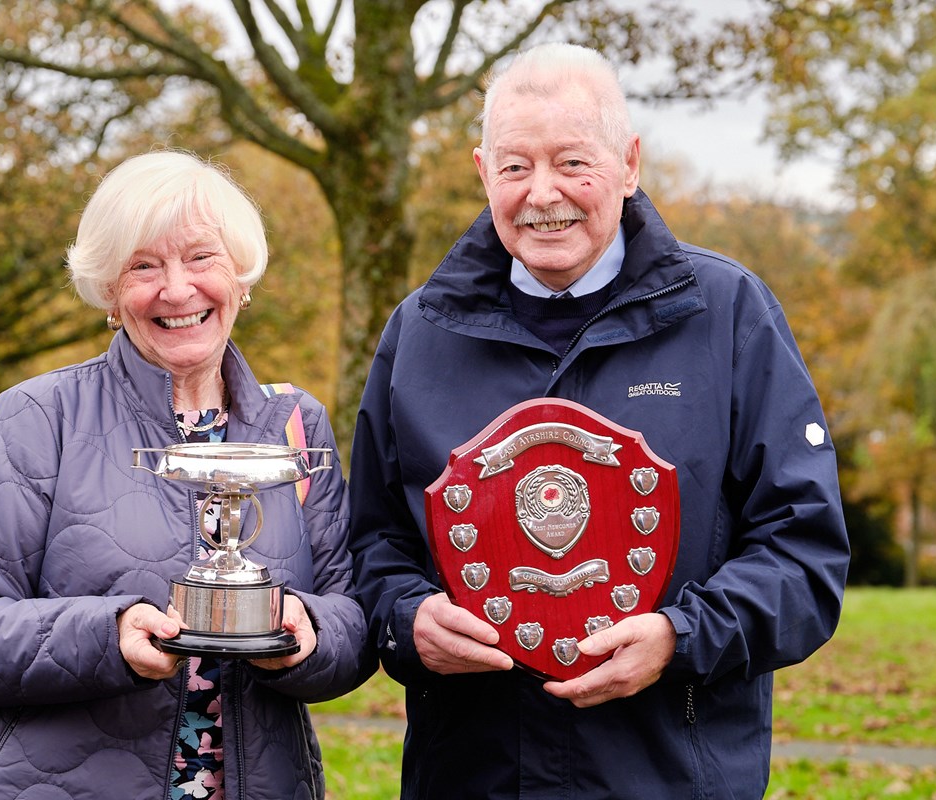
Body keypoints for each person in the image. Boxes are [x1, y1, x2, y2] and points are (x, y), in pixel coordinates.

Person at [347, 43, 850, 798]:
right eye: (515, 167)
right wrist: (407, 621)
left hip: (668, 777)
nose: (543, 193)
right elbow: (372, 543)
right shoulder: (419, 334)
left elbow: (805, 558)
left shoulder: (729, 316)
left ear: (629, 163)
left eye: (574, 162)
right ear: (482, 172)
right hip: (472, 778)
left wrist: (681, 639)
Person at [0, 149, 371, 800]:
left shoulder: (295, 425)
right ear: (109, 290)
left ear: (241, 276)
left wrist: (306, 632)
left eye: (202, 258)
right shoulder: (38, 417)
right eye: (144, 265)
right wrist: (109, 638)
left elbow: (352, 620)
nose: (177, 289)